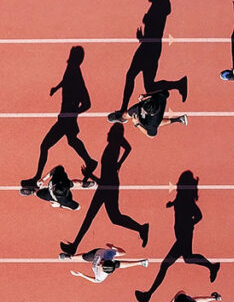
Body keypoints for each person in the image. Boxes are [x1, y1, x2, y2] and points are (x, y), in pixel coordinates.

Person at [60, 124, 149, 257]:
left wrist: (89, 175)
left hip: (108, 186)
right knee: (112, 217)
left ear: (113, 134)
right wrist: (120, 163)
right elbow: (128, 148)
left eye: (110, 132)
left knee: (102, 217)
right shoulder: (115, 145)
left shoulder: (112, 148)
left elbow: (104, 181)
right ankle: (141, 228)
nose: (107, 133)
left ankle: (141, 228)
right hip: (108, 185)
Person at [135, 171, 220, 302]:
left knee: (165, 265)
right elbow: (181, 205)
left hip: (183, 237)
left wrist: (188, 224)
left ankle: (148, 294)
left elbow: (199, 216)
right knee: (188, 258)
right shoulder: (181, 197)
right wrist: (172, 204)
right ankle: (212, 267)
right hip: (182, 235)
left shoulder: (187, 200)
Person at [108, 0, 188, 121]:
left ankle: (123, 111)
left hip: (149, 48)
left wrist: (143, 37)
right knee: (146, 84)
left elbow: (155, 29)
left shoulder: (159, 6)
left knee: (134, 77)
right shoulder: (160, 5)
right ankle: (178, 84)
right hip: (150, 46)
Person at [21, 46, 98, 190]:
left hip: (65, 119)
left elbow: (87, 103)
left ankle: (37, 178)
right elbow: (66, 80)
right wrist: (57, 88)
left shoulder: (75, 73)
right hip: (66, 118)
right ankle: (90, 161)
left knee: (45, 145)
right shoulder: (71, 69)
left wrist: (72, 114)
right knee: (72, 141)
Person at [109, 90, 188, 137]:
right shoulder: (160, 97)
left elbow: (150, 135)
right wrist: (146, 95)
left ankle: (122, 118)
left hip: (146, 121)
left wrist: (137, 124)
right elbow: (164, 92)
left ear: (150, 113)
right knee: (127, 113)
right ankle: (179, 119)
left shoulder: (152, 123)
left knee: (155, 124)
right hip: (152, 117)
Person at [61, 243, 148, 284]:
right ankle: (70, 257)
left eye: (100, 265)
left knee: (118, 265)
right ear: (107, 260)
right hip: (96, 253)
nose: (99, 263)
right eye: (102, 262)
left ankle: (141, 263)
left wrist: (81, 275)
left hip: (108, 263)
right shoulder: (108, 254)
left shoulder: (101, 276)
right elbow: (123, 252)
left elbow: (95, 281)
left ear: (103, 270)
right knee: (85, 257)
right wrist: (114, 247)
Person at [20, 165, 94, 211]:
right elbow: (57, 168)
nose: (51, 187)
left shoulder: (65, 201)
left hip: (52, 198)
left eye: (52, 187)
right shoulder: (59, 178)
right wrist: (43, 179)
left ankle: (33, 192)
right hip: (64, 186)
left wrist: (59, 205)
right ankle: (84, 184)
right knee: (78, 183)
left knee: (38, 193)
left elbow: (77, 208)